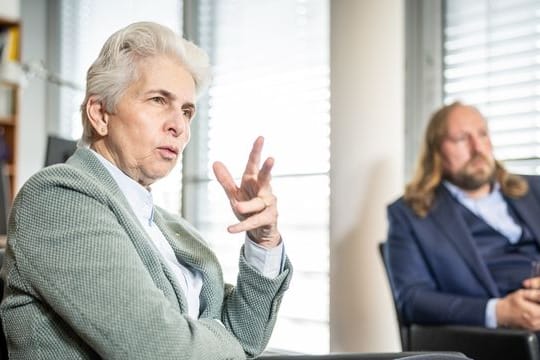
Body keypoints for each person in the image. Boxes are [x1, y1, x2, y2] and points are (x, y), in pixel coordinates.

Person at [0, 21, 292, 359]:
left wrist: (263, 243)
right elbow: (163, 351)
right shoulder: (56, 197)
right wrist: (231, 343)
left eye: (187, 111)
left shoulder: (169, 228)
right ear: (100, 114)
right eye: (158, 100)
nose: (179, 125)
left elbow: (248, 335)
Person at [386, 101, 540, 331]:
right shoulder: (409, 214)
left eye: (482, 134)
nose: (477, 148)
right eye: (461, 139)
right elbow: (412, 298)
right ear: (436, 150)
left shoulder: (534, 188)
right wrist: (496, 312)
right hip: (498, 339)